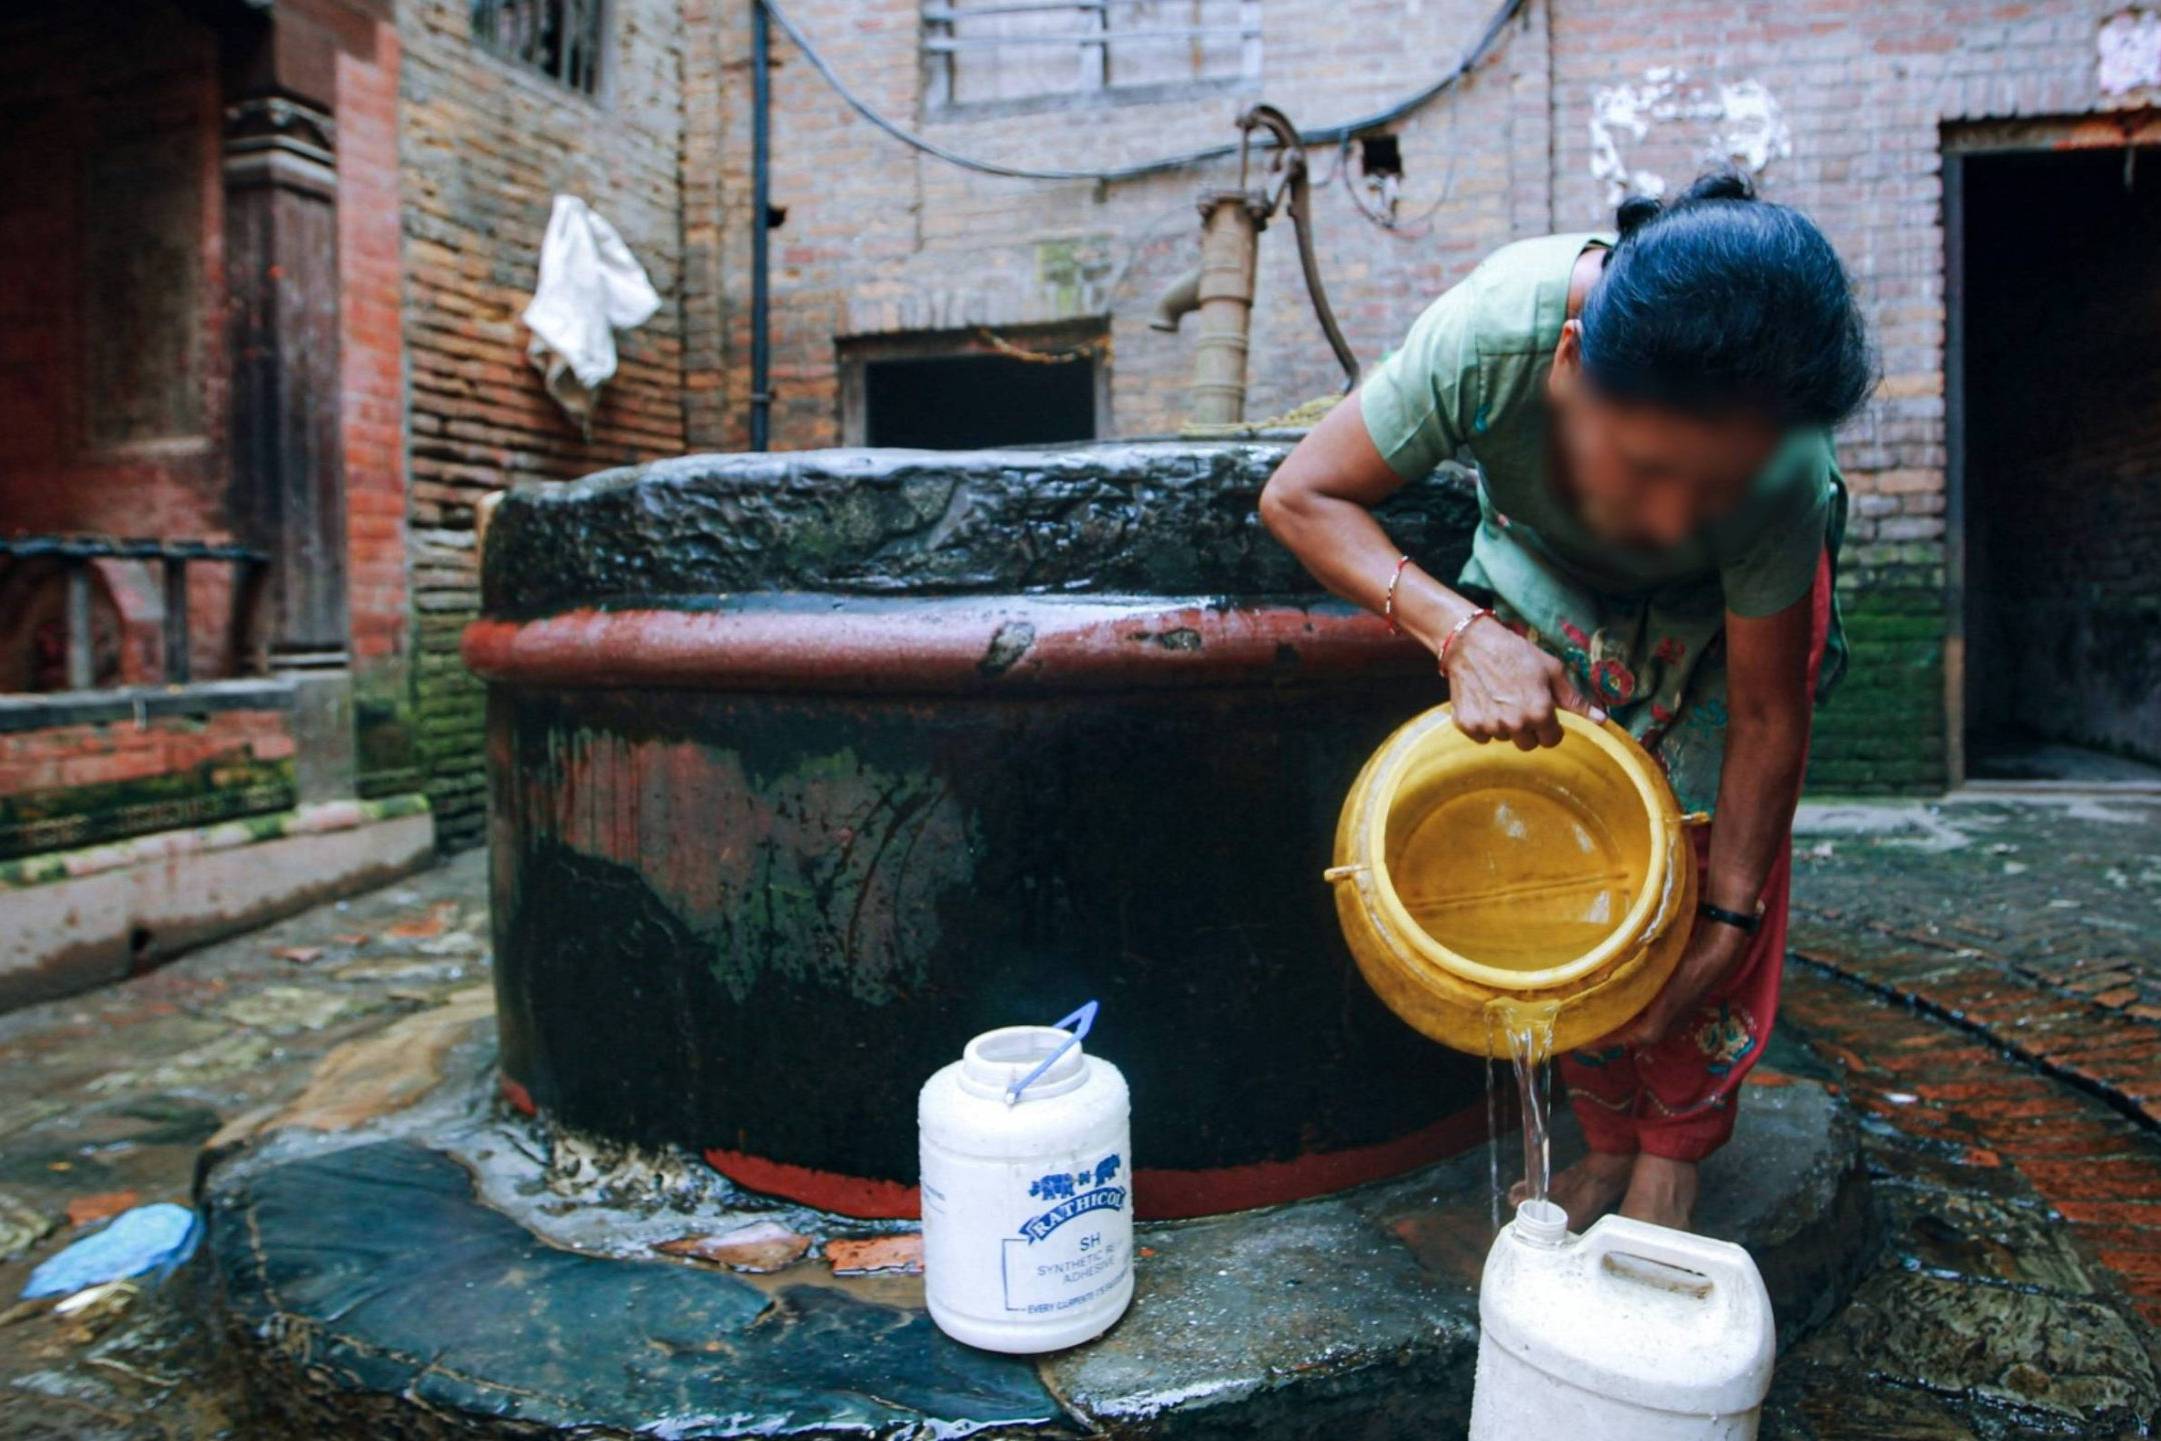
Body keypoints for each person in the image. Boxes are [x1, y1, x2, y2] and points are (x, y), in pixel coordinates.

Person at [1259, 170, 1872, 1232]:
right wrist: (1461, 631)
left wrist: (1727, 919)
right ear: (1570, 363)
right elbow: (1300, 495)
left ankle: (1675, 1150)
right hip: (1542, 586)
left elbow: (1768, 721)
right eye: (1644, 467)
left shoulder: (1785, 469)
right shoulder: (1494, 333)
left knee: (1689, 862)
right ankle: (1602, 1133)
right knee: (1563, 862)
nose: (1671, 515)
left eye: (1712, 488)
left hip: (1719, 627)